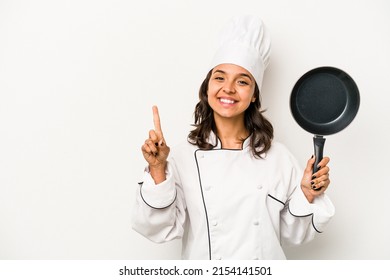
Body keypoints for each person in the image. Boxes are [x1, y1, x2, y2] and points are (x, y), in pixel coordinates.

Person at [132, 15, 335, 260]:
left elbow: (293, 234)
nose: (228, 88)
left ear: (253, 95)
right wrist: (157, 169)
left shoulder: (278, 157)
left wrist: (307, 194)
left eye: (242, 81)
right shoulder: (182, 158)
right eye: (219, 77)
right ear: (207, 88)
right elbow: (159, 229)